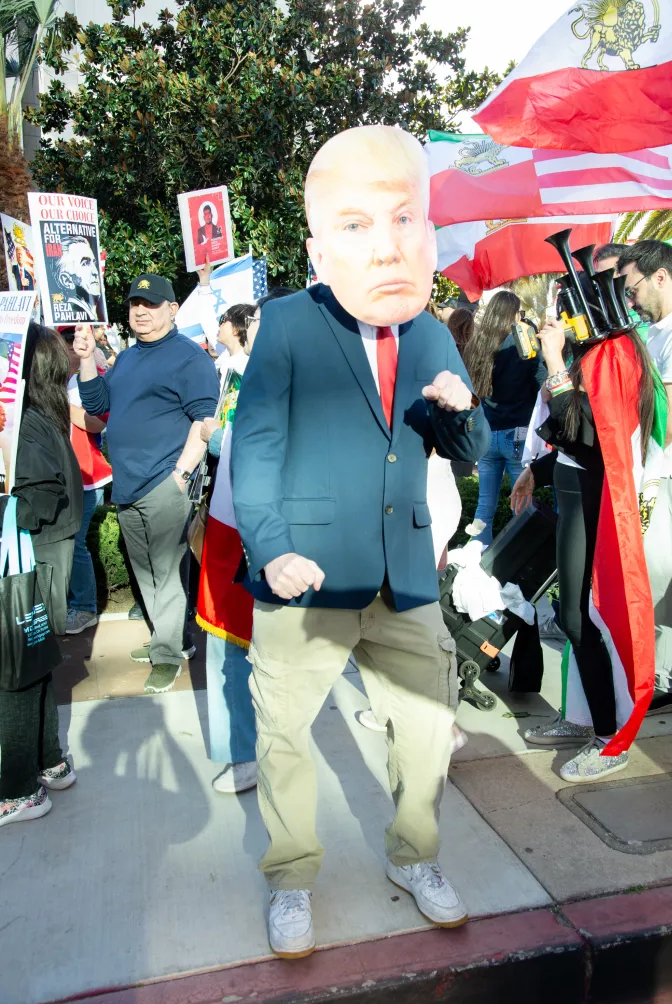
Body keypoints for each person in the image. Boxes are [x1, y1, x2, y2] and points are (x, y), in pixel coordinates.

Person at [231, 125, 490, 960]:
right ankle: (292, 878)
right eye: (355, 226)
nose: (384, 246)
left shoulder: (432, 331)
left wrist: (461, 413)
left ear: (425, 230)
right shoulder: (285, 324)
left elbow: (468, 452)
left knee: (423, 736)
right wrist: (269, 546)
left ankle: (416, 857)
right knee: (284, 735)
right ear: (319, 246)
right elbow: (258, 446)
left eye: (403, 219)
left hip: (406, 577)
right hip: (302, 577)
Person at [513, 315, 656, 781]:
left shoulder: (617, 353)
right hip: (576, 496)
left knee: (590, 618)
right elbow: (575, 437)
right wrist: (538, 468)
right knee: (576, 618)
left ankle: (610, 739)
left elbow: (592, 439)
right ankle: (588, 722)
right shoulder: (598, 354)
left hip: (600, 502)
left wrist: (555, 363)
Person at [73, 273, 219, 694]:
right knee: (147, 573)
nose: (140, 310)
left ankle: (168, 655)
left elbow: (204, 419)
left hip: (164, 483)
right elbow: (99, 406)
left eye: (151, 304)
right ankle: (170, 640)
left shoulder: (190, 358)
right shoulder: (130, 357)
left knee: (168, 574)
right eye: (135, 302)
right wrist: (86, 359)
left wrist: (180, 475)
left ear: (172, 310)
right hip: (130, 484)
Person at [197, 290, 296, 795]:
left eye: (255, 317)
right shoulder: (248, 373)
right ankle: (242, 751)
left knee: (258, 652)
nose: (246, 325)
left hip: (268, 533)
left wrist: (217, 437)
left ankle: (255, 753)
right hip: (236, 525)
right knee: (231, 648)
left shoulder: (290, 376)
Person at [0, 324, 83, 827]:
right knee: (31, 664)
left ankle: (16, 789)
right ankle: (48, 761)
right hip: (42, 561)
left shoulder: (28, 423)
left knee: (15, 675)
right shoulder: (41, 416)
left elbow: (38, 496)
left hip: (33, 562)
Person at [618, 241, 672, 714]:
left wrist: (638, 465)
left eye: (632, 286)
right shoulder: (656, 331)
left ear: (661, 277)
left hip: (667, 475)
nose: (630, 298)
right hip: (654, 473)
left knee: (661, 577)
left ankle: (667, 679)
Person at [463, 290, 546, 545]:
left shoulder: (477, 345)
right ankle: (517, 566)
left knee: (484, 505)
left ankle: (476, 558)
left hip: (488, 433)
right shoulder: (522, 345)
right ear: (513, 314)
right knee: (519, 502)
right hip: (517, 432)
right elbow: (541, 382)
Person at [57, 328, 113, 635]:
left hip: (87, 476)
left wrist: (64, 407)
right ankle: (68, 602)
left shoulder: (86, 382)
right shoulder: (55, 382)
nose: (67, 349)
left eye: (70, 344)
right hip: (60, 476)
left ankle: (85, 607)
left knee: (76, 543)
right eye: (65, 344)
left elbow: (99, 422)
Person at [52, 235, 104, 324]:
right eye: (84, 263)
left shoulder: (91, 316)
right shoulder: (72, 322)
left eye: (93, 263)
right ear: (66, 280)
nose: (95, 272)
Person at [214, 303, 252, 379]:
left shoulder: (245, 366)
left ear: (236, 328)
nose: (219, 325)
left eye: (223, 320)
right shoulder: (221, 362)